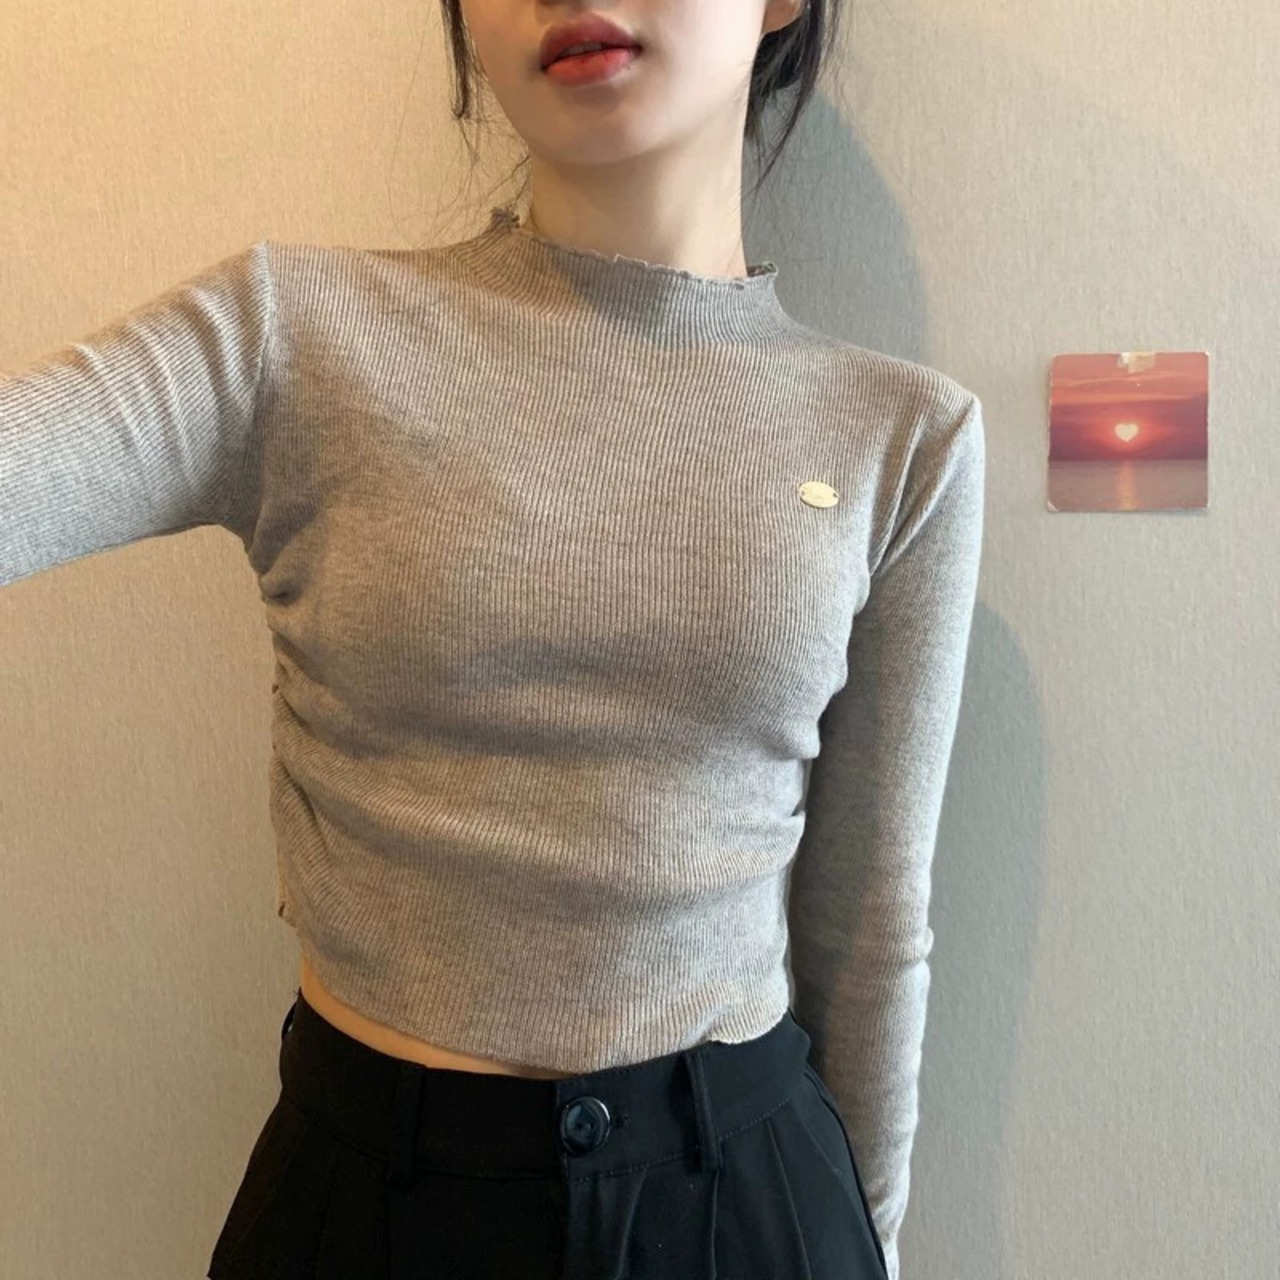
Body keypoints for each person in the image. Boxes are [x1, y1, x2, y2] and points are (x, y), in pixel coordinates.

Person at [0, 0, 985, 1275]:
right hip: (369, 1206)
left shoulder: (902, 438)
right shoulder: (291, 338)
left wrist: (868, 1238)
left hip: (745, 1206)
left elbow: (869, 924)